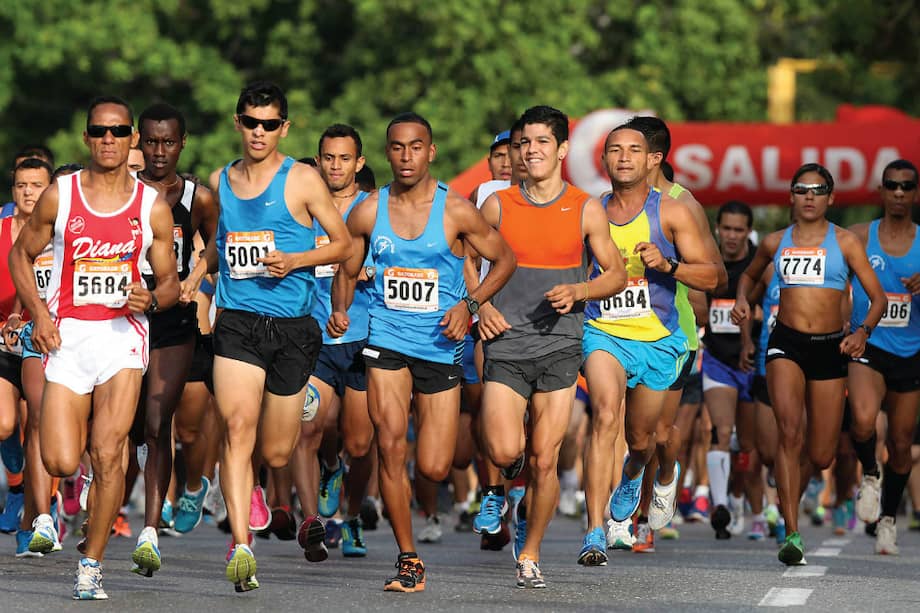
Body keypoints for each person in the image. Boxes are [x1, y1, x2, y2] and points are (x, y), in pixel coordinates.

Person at [328, 111, 516, 593]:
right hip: (385, 340)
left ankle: (466, 484)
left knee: (434, 465)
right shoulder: (369, 210)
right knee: (390, 445)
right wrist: (341, 309)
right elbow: (346, 264)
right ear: (387, 153)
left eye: (415, 147)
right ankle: (408, 558)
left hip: (439, 345)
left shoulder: (456, 210)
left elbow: (504, 259)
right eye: (397, 147)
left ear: (430, 151)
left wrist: (469, 305)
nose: (406, 156)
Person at [9, 96, 180, 599]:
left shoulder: (151, 206)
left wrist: (153, 298)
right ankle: (86, 488)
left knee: (108, 452)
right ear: (86, 137)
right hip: (67, 337)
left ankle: (91, 564)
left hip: (122, 339)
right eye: (100, 131)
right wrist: (40, 315)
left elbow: (170, 284)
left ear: (132, 139)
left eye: (119, 131)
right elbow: (21, 255)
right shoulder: (60, 196)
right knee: (62, 460)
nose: (109, 139)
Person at [187, 81, 353, 592]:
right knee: (237, 427)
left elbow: (343, 244)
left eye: (269, 124)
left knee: (278, 451)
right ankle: (241, 545)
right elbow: (222, 242)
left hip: (292, 329)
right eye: (251, 122)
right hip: (237, 321)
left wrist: (296, 260)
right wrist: (198, 272)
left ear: (284, 128)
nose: (259, 132)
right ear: (238, 123)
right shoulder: (221, 180)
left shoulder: (301, 179)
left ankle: (265, 461)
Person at [474, 105, 625, 587]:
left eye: (541, 141)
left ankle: (530, 553)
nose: (530, 150)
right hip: (506, 341)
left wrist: (580, 290)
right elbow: (462, 257)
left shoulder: (585, 207)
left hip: (560, 344)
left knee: (545, 458)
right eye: (524, 143)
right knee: (504, 450)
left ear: (562, 149)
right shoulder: (497, 206)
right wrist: (480, 305)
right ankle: (512, 480)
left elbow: (616, 274)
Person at [732, 163, 887, 566]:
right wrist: (742, 300)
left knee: (821, 456)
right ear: (792, 196)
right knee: (789, 432)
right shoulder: (774, 242)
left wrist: (862, 332)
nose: (809, 196)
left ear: (831, 198)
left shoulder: (845, 242)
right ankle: (791, 532)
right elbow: (747, 277)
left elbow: (879, 298)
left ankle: (794, 498)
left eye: (818, 190)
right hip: (786, 343)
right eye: (802, 189)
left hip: (830, 348)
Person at [579, 122, 720, 566]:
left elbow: (712, 276)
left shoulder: (673, 211)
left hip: (658, 338)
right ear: (604, 160)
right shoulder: (589, 210)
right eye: (615, 150)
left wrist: (669, 265)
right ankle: (594, 530)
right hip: (603, 330)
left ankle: (634, 474)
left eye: (633, 150)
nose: (624, 157)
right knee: (605, 415)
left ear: (650, 160)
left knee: (642, 441)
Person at [129, 102, 219, 576]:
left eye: (168, 142)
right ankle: (102, 507)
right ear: (138, 143)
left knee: (158, 422)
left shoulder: (198, 198)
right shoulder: (125, 193)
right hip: (124, 318)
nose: (159, 151)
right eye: (151, 142)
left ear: (182, 143)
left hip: (175, 321)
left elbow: (219, 243)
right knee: (128, 427)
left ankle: (150, 529)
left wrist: (195, 275)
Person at [289, 123, 374, 562]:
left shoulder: (373, 208)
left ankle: (353, 514)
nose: (335, 166)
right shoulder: (305, 207)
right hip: (314, 337)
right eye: (328, 158)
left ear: (359, 163)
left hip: (366, 338)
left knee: (359, 444)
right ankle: (313, 524)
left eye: (344, 158)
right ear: (318, 161)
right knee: (307, 429)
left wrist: (372, 271)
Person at [847, 159, 920, 554]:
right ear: (881, 191)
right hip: (869, 343)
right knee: (862, 422)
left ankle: (888, 519)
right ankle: (871, 473)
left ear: (915, 193)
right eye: (891, 185)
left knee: (902, 442)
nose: (898, 192)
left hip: (911, 351)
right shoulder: (860, 236)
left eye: (906, 186)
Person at [0, 159, 53, 553]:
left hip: (44, 340)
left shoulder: (62, 229)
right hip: (4, 338)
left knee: (37, 426)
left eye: (36, 185)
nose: (28, 192)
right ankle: (17, 485)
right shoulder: (2, 229)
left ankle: (33, 519)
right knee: (4, 424)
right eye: (21, 185)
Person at [702, 201, 757, 539]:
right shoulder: (707, 262)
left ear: (748, 232)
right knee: (721, 431)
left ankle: (737, 497)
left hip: (751, 363)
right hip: (718, 360)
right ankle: (720, 506)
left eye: (739, 230)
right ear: (718, 229)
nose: (732, 236)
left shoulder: (758, 264)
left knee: (747, 445)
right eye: (727, 229)